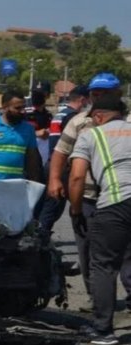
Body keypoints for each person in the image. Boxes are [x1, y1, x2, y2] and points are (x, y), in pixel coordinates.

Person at [47, 72, 131, 313]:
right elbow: (61, 154)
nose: (98, 96)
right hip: (87, 197)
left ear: (117, 94)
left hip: (119, 197)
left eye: (104, 93)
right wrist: (54, 179)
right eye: (95, 93)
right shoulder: (79, 122)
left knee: (126, 253)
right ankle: (98, 299)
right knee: (88, 251)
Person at [68, 93, 131, 345]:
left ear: (98, 116)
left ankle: (103, 329)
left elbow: (76, 178)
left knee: (103, 266)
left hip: (114, 204)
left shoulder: (90, 135)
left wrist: (75, 210)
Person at [36, 86, 89, 236]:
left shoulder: (60, 114)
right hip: (62, 166)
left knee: (51, 205)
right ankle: (40, 239)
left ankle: (40, 236)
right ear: (83, 100)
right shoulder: (73, 117)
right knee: (56, 207)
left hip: (52, 163)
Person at [25, 89, 52, 167]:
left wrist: (47, 132)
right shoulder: (27, 113)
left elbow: (50, 128)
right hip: (31, 142)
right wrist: (36, 133)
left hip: (44, 144)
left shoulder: (47, 114)